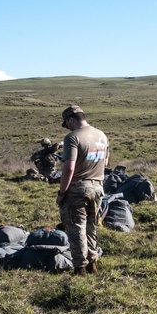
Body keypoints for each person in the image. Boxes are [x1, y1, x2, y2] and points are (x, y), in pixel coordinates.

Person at [56, 105, 110, 276]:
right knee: (91, 226)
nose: (68, 127)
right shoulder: (101, 135)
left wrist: (62, 193)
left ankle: (80, 269)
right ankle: (92, 264)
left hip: (78, 189)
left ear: (71, 119)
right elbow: (106, 163)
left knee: (76, 227)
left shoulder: (72, 138)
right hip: (98, 187)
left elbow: (69, 169)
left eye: (67, 123)